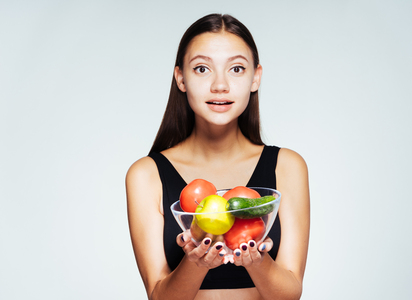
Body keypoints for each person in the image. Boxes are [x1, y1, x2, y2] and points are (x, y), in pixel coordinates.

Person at [126, 13, 310, 300]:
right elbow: (158, 295)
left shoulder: (287, 167)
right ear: (181, 78)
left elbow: (289, 294)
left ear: (255, 77)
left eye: (236, 69)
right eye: (202, 69)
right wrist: (195, 262)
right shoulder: (146, 175)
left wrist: (257, 261)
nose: (220, 85)